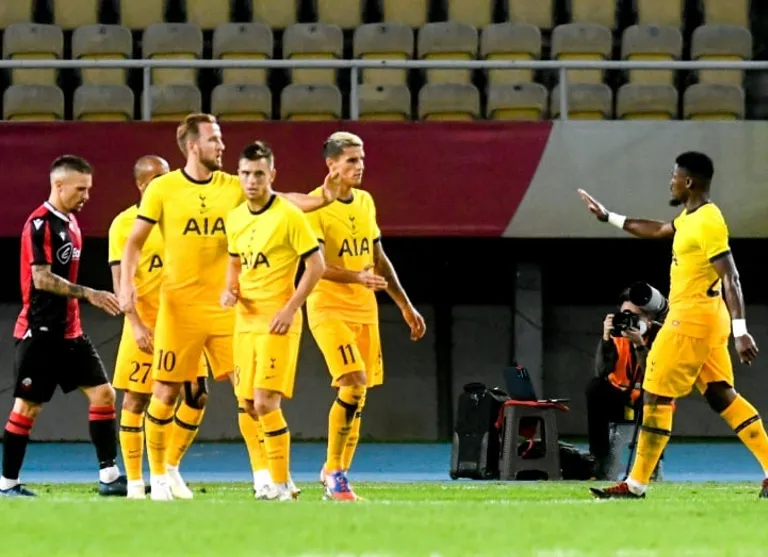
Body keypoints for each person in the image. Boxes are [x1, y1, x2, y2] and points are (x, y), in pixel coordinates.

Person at [118, 113, 339, 500]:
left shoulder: (234, 185)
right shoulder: (163, 189)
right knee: (165, 392)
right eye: (214, 139)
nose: (221, 145)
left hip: (227, 308)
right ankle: (159, 479)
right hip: (179, 309)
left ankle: (265, 476)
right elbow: (134, 240)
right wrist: (126, 288)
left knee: (249, 395)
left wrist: (322, 198)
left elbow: (281, 200)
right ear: (193, 146)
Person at [579, 151, 768, 499]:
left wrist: (741, 332)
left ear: (689, 181)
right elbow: (657, 229)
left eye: (674, 176)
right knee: (721, 395)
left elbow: (732, 277)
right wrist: (609, 217)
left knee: (655, 394)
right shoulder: (689, 218)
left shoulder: (708, 222)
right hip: (707, 319)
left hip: (690, 321)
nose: (671, 182)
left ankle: (635, 485)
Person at [306, 131, 427, 501]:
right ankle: (334, 473)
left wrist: (404, 304)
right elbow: (316, 266)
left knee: (357, 395)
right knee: (353, 382)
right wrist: (356, 277)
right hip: (328, 308)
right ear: (331, 165)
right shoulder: (314, 206)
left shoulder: (365, 201)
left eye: (361, 159)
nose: (360, 166)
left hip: (365, 310)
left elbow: (378, 257)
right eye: (351, 160)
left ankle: (335, 473)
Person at [1, 155, 126, 497]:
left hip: (71, 333)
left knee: (104, 394)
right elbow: (41, 279)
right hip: (41, 333)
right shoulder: (39, 224)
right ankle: (7, 483)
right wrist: (89, 293)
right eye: (80, 189)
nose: (86, 196)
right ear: (58, 185)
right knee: (28, 407)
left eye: (88, 189)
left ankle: (109, 477)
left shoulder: (71, 223)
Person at [222, 142, 325, 500]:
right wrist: (229, 289)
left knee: (266, 401)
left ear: (272, 176)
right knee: (248, 404)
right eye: (246, 174)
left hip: (278, 321)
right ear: (238, 176)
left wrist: (291, 308)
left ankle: (280, 484)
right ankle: (271, 478)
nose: (252, 181)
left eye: (259, 174)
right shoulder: (235, 217)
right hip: (244, 321)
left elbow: (317, 266)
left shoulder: (289, 215)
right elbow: (234, 261)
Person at [108, 155, 210, 499]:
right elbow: (121, 283)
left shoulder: (181, 219)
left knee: (196, 395)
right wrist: (136, 325)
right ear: (141, 185)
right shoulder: (124, 225)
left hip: (183, 323)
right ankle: (136, 482)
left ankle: (169, 467)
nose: (166, 184)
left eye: (168, 176)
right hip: (146, 325)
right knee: (136, 399)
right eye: (157, 178)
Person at [586, 289, 659, 480]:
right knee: (595, 388)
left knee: (657, 398)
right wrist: (605, 338)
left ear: (649, 318)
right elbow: (601, 371)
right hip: (620, 396)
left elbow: (654, 374)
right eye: (625, 314)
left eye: (635, 315)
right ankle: (599, 458)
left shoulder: (661, 335)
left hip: (649, 397)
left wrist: (639, 345)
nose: (629, 320)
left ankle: (651, 463)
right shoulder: (617, 334)